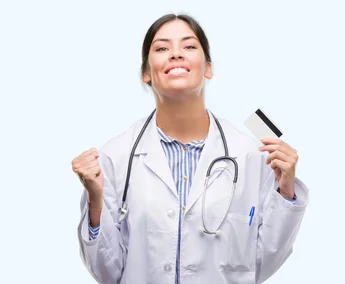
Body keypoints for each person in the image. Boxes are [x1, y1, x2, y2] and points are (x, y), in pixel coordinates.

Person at [71, 13, 309, 284]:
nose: (175, 54)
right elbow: (107, 272)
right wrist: (95, 198)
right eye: (162, 48)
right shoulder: (115, 157)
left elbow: (262, 262)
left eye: (189, 46)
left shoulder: (250, 155)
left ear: (208, 68)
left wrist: (286, 190)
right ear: (146, 73)